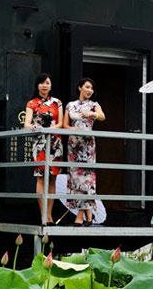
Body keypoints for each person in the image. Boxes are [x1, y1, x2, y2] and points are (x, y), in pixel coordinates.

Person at [62, 77, 104, 226]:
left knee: (86, 181)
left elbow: (102, 116)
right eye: (87, 87)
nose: (89, 90)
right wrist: (73, 129)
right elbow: (64, 125)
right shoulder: (70, 105)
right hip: (74, 145)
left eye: (91, 88)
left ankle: (80, 215)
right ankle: (88, 214)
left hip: (87, 146)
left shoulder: (93, 105)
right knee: (74, 180)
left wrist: (92, 115)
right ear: (80, 88)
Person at [24, 73, 63, 226]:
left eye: (47, 82)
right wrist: (34, 126)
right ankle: (43, 215)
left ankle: (50, 216)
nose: (44, 85)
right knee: (41, 177)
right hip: (40, 143)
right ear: (37, 85)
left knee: (53, 178)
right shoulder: (32, 103)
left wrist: (52, 128)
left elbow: (60, 123)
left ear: (51, 85)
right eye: (42, 83)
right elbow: (26, 124)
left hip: (55, 142)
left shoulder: (57, 102)